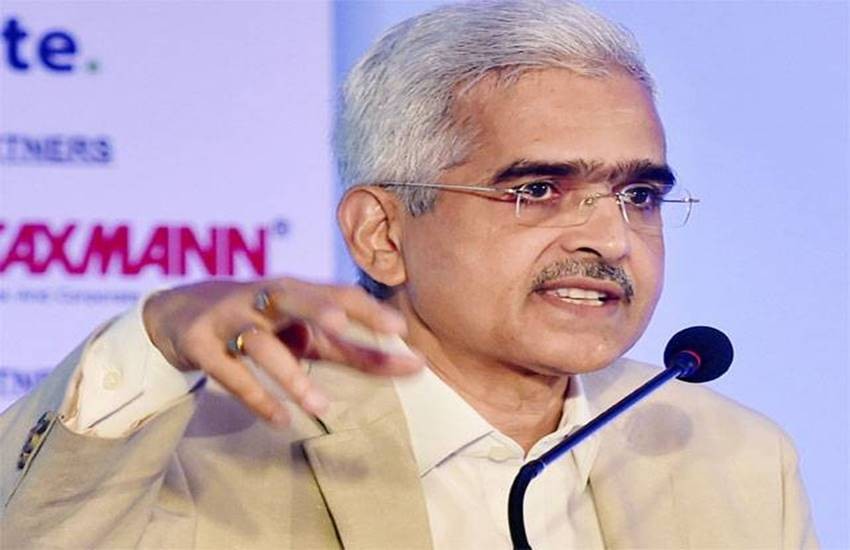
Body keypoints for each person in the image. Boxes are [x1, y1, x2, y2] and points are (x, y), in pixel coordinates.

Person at [0, 1, 817, 548]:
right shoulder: (208, 453)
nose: (612, 238)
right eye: (538, 189)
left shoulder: (734, 456)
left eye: (639, 195)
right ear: (381, 233)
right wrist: (154, 337)